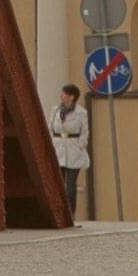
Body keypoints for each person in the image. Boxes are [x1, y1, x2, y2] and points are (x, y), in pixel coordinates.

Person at [49, 82, 91, 217]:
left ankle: (70, 213)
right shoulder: (55, 110)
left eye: (65, 93)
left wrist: (80, 145)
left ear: (72, 97)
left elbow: (85, 132)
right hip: (58, 146)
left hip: (73, 148)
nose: (62, 95)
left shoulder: (81, 113)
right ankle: (58, 212)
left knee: (71, 185)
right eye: (62, 93)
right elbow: (50, 127)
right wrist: (51, 143)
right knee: (58, 184)